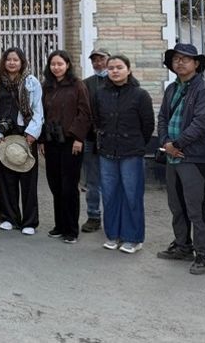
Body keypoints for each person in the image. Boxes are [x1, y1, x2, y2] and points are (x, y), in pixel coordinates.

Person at [156, 43, 205, 274]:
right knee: (176, 205)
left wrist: (176, 144)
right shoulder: (172, 88)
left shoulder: (204, 90)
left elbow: (201, 124)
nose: (180, 62)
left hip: (194, 156)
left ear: (196, 63)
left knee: (195, 208)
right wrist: (165, 143)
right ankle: (182, 245)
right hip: (173, 155)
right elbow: (162, 117)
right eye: (176, 59)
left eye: (186, 59)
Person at [93, 54, 154, 254]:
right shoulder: (100, 94)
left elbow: (148, 126)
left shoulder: (140, 95)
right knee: (110, 195)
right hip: (107, 152)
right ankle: (113, 235)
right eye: (111, 68)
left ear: (128, 69)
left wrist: (135, 143)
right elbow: (97, 120)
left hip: (131, 153)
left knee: (132, 195)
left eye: (119, 67)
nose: (115, 71)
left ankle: (133, 238)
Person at [0, 47, 44, 235]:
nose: (12, 63)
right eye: (9, 59)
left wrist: (32, 133)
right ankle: (10, 217)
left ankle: (29, 222)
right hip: (4, 136)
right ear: (4, 61)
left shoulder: (31, 82)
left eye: (16, 60)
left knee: (28, 179)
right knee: (7, 179)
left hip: (25, 134)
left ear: (22, 62)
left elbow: (37, 109)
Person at [41, 49, 92, 244]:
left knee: (69, 186)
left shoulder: (78, 86)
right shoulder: (47, 86)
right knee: (55, 185)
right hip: (51, 140)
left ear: (68, 65)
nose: (56, 67)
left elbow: (85, 113)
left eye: (60, 64)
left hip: (71, 142)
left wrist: (79, 138)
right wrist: (42, 141)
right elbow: (42, 113)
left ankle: (71, 229)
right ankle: (59, 225)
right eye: (53, 64)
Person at [81, 47, 110, 233]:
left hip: (113, 141)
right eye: (94, 60)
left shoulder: (118, 80)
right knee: (92, 181)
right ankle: (93, 215)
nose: (98, 63)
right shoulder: (86, 84)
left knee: (112, 181)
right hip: (91, 139)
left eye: (101, 59)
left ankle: (112, 217)